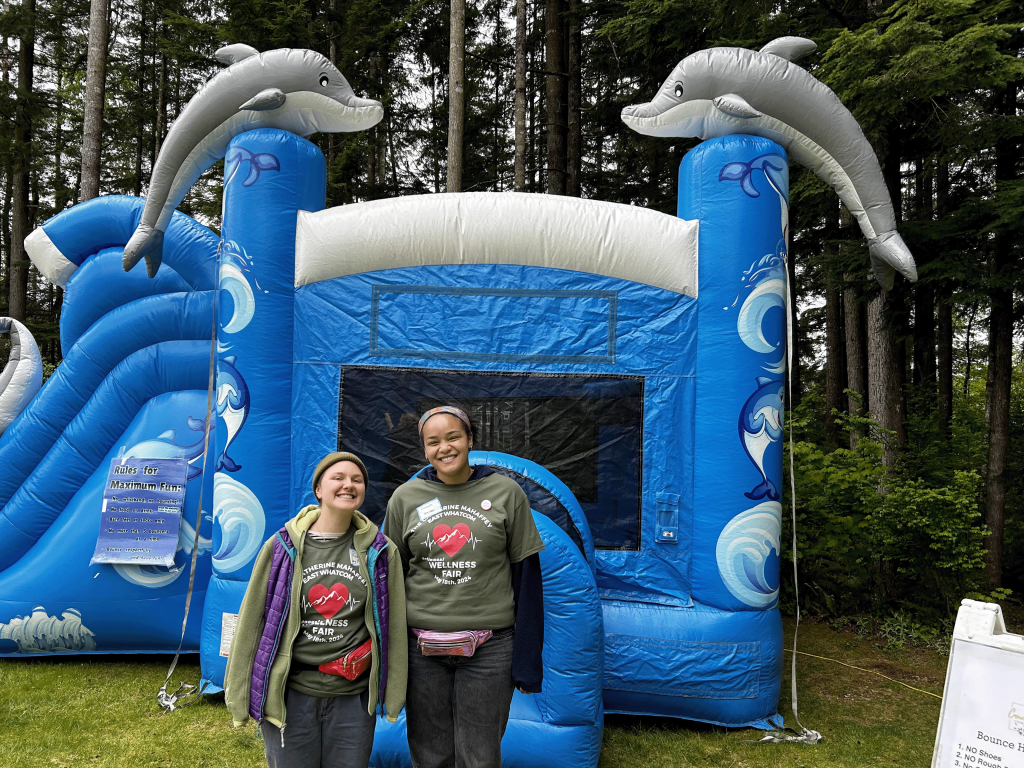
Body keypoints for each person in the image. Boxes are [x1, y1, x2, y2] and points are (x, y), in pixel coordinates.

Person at [383, 405, 545, 768]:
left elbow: (527, 577)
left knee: (480, 756)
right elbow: (387, 579)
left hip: (491, 648)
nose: (445, 448)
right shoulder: (405, 498)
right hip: (420, 649)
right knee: (429, 753)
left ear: (470, 439)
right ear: (424, 450)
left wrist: (527, 661)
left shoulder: (506, 492)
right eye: (433, 441)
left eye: (453, 436)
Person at [225, 451, 407, 768]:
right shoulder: (282, 547)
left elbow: (394, 626)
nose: (348, 485)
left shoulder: (381, 551)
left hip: (353, 698)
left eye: (357, 480)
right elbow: (252, 624)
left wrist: (393, 694)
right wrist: (238, 695)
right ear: (319, 489)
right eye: (338, 478)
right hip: (291, 694)